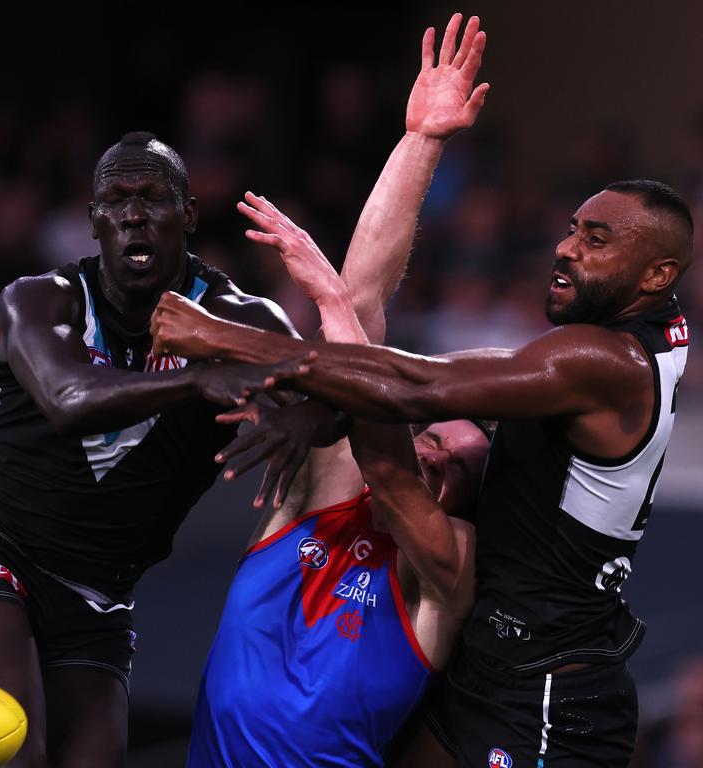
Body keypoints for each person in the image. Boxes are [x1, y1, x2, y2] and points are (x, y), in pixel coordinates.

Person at [152, 179, 693, 765]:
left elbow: (411, 395)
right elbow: (414, 374)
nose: (567, 248)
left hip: (548, 696)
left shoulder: (606, 361)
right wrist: (324, 388)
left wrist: (221, 335)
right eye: (572, 230)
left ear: (656, 275)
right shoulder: (617, 347)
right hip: (492, 668)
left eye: (597, 239)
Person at [0, 131, 322, 768]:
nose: (132, 213)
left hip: (99, 598)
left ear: (188, 214)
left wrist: (311, 416)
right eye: (115, 200)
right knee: (11, 745)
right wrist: (196, 377)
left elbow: (339, 386)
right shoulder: (39, 299)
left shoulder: (242, 319)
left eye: (152, 197)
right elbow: (70, 397)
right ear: (93, 220)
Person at [186, 14, 490, 766]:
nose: (439, 452)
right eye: (434, 435)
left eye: (457, 462)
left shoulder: (447, 568)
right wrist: (422, 141)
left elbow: (386, 453)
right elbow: (362, 301)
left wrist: (333, 310)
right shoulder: (320, 500)